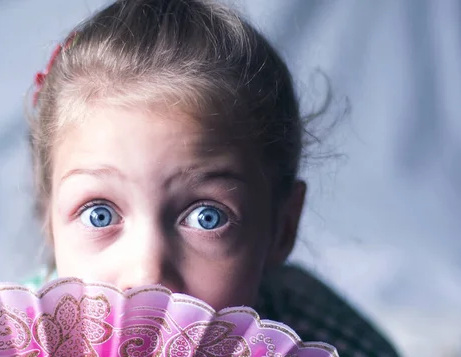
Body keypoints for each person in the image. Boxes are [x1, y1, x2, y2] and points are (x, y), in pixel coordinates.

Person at [24, 0, 400, 355]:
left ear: (281, 228)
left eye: (207, 216)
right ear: (49, 223)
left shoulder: (316, 340)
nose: (148, 275)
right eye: (99, 214)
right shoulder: (15, 333)